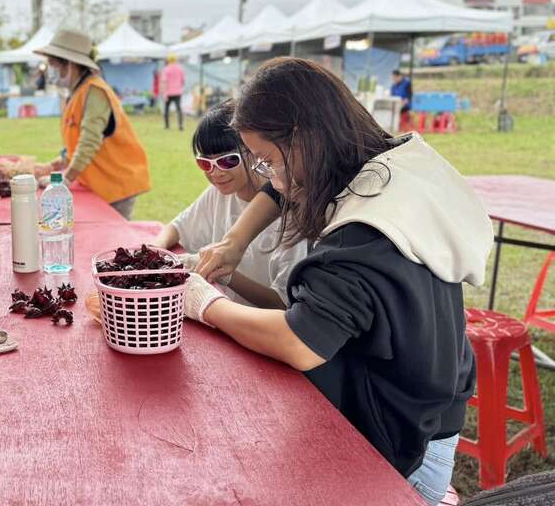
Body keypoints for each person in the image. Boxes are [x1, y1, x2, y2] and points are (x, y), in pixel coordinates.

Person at [184, 57, 490, 505]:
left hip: (402, 438)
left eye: (268, 161)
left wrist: (203, 303)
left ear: (306, 138)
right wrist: (234, 242)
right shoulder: (391, 160)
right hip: (438, 396)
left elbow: (299, 341)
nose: (273, 181)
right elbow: (280, 187)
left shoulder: (361, 237)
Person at [151, 100, 305, 309]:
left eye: (228, 161)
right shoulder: (218, 193)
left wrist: (228, 276)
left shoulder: (290, 214)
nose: (216, 173)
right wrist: (154, 251)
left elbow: (283, 303)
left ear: (256, 153)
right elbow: (177, 227)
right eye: (205, 163)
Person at [33, 29, 151, 220]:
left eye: (53, 65)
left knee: (112, 236)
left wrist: (66, 178)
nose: (50, 71)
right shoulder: (78, 91)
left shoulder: (95, 91)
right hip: (98, 184)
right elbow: (75, 144)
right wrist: (53, 166)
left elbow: (89, 142)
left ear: (69, 64)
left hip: (115, 184)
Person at [161, 54, 185, 130]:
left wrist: (164, 93)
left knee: (166, 110)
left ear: (168, 60)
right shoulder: (180, 68)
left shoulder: (166, 69)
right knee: (179, 109)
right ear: (175, 60)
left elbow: (164, 82)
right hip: (178, 92)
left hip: (168, 93)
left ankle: (167, 126)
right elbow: (183, 81)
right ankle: (180, 125)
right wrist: (180, 88)